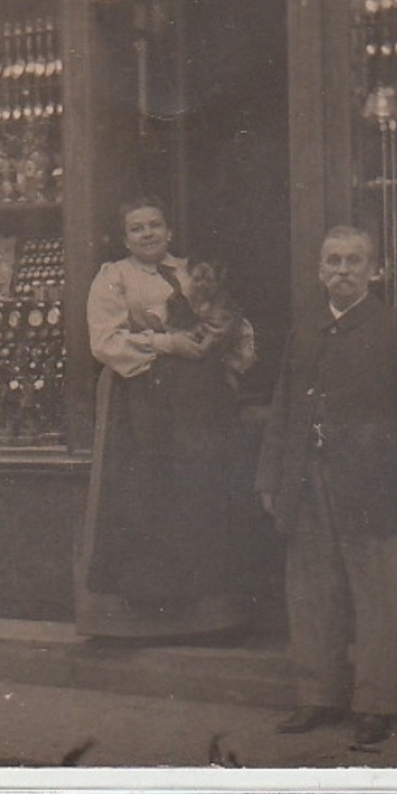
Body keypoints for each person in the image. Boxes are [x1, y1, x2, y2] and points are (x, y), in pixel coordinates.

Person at [256, 226, 397, 748]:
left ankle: (374, 704)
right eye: (333, 261)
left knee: (378, 595)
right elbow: (284, 410)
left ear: (373, 270)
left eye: (354, 261)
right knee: (312, 593)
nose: (342, 270)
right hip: (308, 481)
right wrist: (271, 477)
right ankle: (318, 697)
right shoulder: (307, 331)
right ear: (319, 271)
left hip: (375, 485)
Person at [75, 199, 256, 640]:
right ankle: (147, 617)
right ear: (125, 239)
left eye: (155, 225)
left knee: (200, 493)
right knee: (147, 496)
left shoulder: (193, 272)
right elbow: (105, 341)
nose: (148, 234)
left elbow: (234, 323)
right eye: (136, 229)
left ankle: (210, 615)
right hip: (142, 404)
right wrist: (168, 344)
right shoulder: (114, 278)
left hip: (198, 405)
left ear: (169, 232)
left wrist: (222, 351)